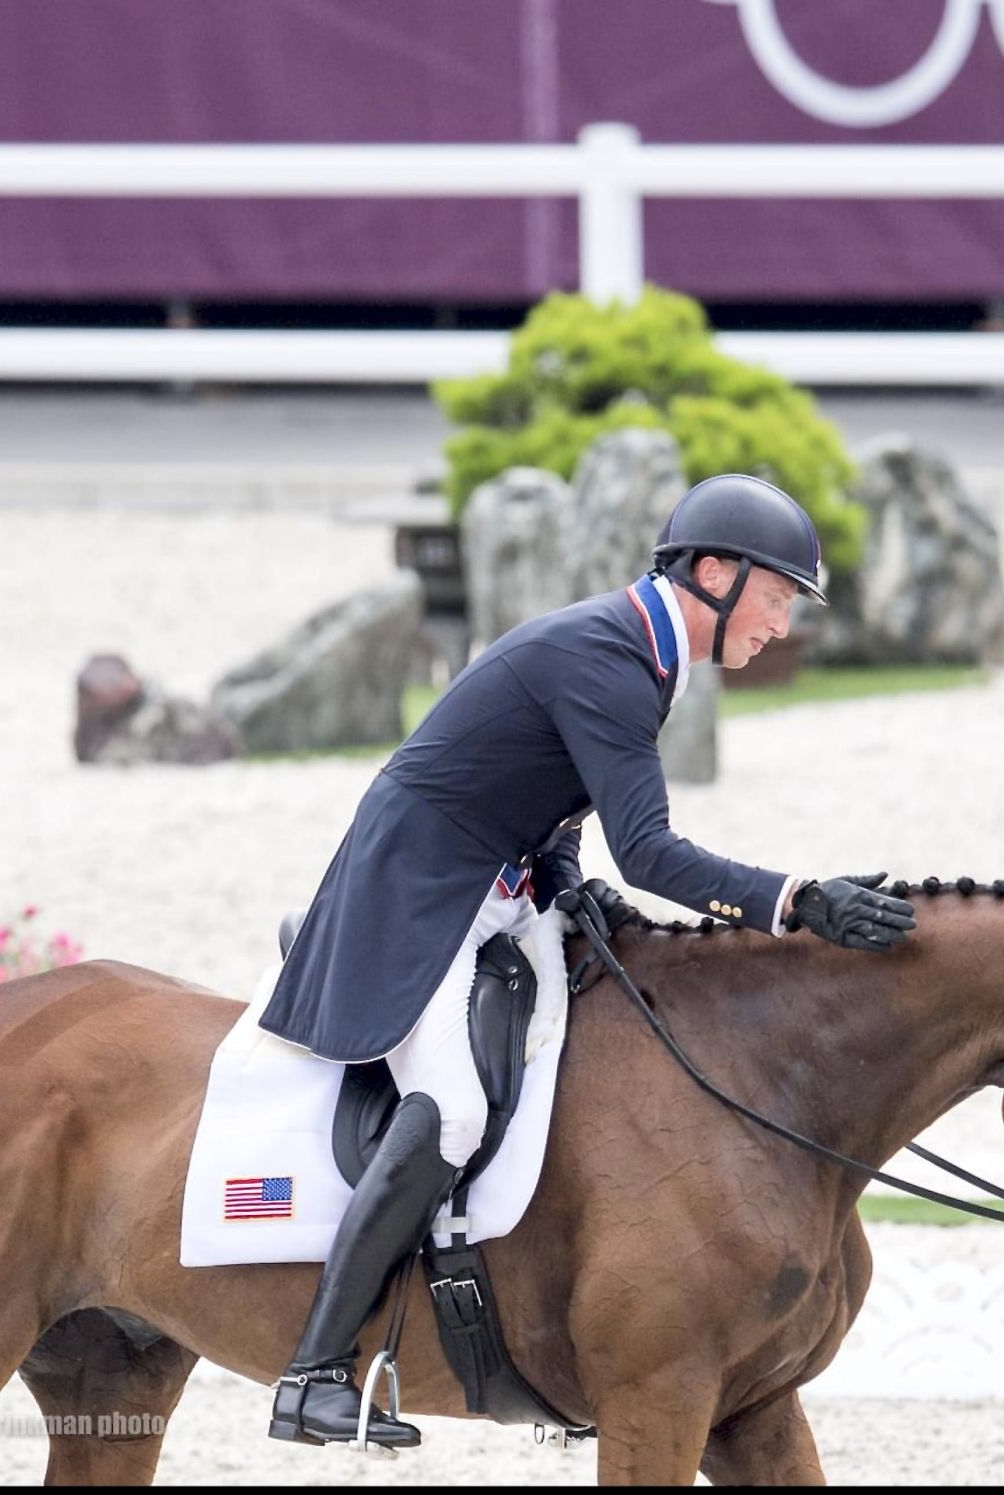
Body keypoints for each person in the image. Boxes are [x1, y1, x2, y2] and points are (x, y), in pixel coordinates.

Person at [260, 471, 919, 1447]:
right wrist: (798, 900)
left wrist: (573, 882)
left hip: (502, 881)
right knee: (454, 1110)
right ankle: (313, 1370)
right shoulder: (611, 657)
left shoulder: (648, 651)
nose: (783, 623)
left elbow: (547, 790)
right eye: (778, 596)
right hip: (421, 899)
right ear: (713, 572)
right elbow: (651, 850)